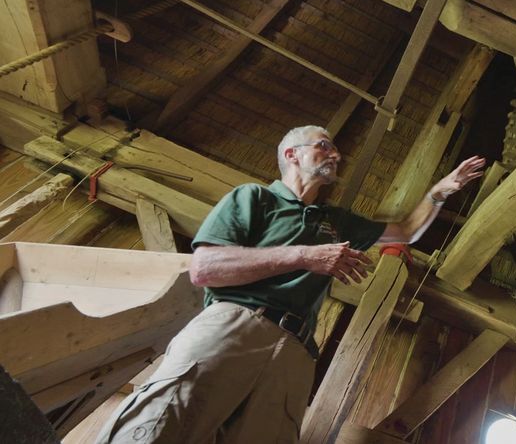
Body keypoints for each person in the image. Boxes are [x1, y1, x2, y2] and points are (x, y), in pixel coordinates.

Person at [97, 125, 485, 443]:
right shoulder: (255, 198)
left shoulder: (336, 221)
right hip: (234, 325)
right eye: (323, 146)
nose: (336, 154)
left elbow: (406, 232)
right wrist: (306, 256)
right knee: (158, 427)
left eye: (335, 150)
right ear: (291, 154)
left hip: (296, 353)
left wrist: (439, 193)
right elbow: (205, 268)